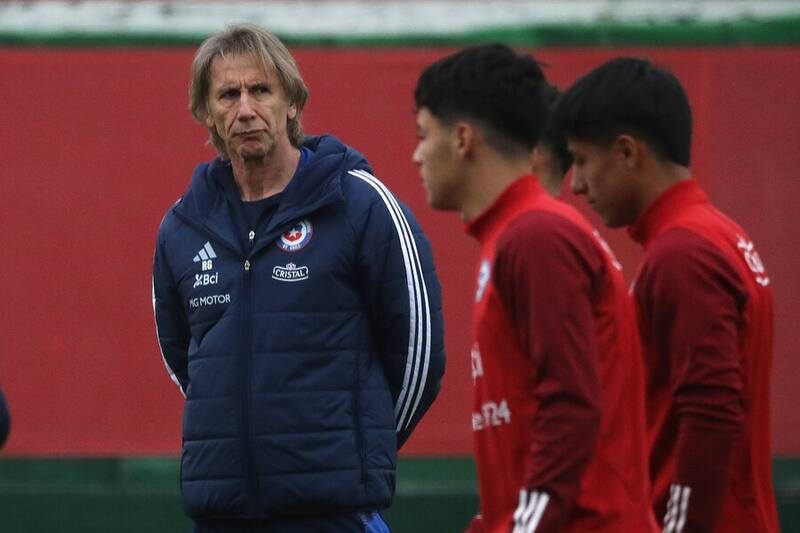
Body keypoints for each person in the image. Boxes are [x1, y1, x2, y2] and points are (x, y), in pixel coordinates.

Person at [152, 23, 445, 533]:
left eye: (260, 89)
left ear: (292, 102)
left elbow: (419, 352)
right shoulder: (182, 226)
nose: (245, 109)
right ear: (207, 114)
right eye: (227, 94)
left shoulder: (360, 204)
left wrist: (357, 444)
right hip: (223, 514)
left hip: (334, 514)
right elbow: (186, 362)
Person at [413, 44, 655, 533]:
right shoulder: (518, 236)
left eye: (423, 134)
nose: (416, 153)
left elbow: (570, 405)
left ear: (463, 139)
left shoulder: (536, 237)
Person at [552, 57, 779, 532]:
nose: (574, 184)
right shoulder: (719, 234)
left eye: (582, 159)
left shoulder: (683, 254)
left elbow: (712, 412)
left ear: (628, 152)